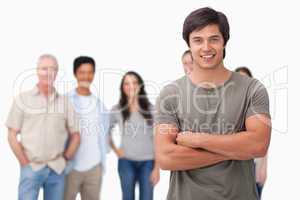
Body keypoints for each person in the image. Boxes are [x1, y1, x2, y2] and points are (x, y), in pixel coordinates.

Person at [154, 7, 271, 200]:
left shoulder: (252, 89)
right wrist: (235, 150)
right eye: (198, 40)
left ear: (224, 41)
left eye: (214, 39)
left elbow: (258, 145)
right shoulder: (170, 94)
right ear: (188, 45)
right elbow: (166, 157)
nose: (206, 47)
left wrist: (198, 140)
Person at [6, 54, 80, 200]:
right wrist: (24, 162)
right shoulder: (22, 99)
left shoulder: (65, 103)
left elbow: (76, 135)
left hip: (57, 170)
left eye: (53, 69)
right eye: (44, 69)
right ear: (37, 71)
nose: (48, 73)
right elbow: (12, 134)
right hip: (31, 168)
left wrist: (65, 158)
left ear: (57, 73)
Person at [109, 71, 160, 200]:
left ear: (140, 85)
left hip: (148, 163)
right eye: (127, 83)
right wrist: (116, 151)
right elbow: (105, 131)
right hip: (126, 162)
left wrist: (157, 168)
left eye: (134, 82)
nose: (131, 86)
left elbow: (159, 139)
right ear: (122, 87)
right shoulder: (117, 109)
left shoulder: (151, 109)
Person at [64, 56, 110, 200]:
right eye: (82, 72)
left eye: (90, 72)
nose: (86, 76)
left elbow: (104, 134)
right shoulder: (64, 101)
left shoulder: (99, 105)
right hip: (69, 167)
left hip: (94, 167)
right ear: (75, 74)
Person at [235, 66, 268, 199]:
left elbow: (264, 139)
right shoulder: (229, 105)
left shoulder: (258, 105)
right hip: (234, 166)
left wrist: (263, 168)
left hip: (253, 165)